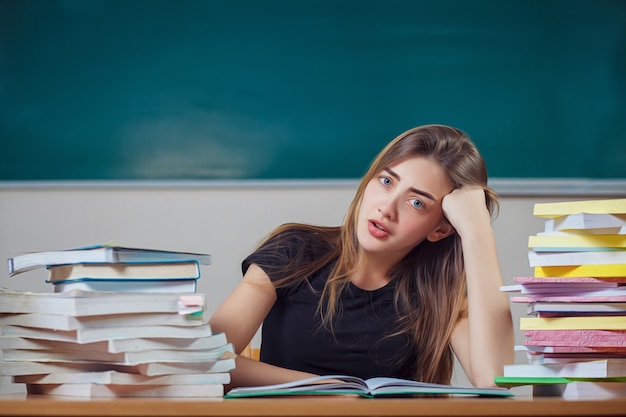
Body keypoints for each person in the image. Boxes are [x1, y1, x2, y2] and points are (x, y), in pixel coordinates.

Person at [209, 124, 514, 389]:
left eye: (417, 202)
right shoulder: (295, 250)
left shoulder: (439, 292)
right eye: (386, 181)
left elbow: (493, 379)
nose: (387, 208)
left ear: (440, 229)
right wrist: (320, 388)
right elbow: (203, 359)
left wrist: (477, 231)